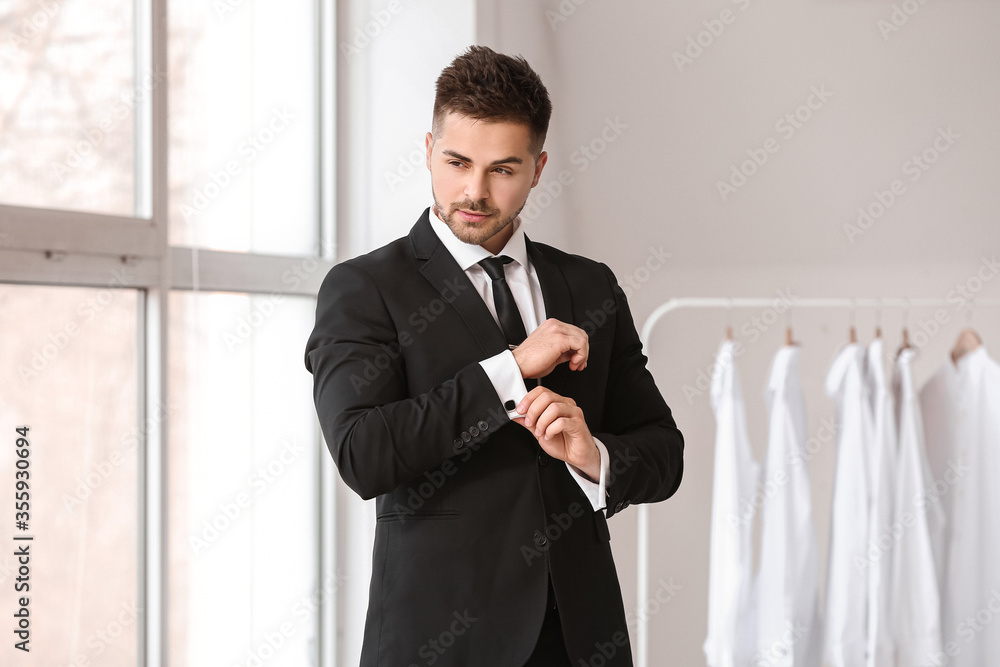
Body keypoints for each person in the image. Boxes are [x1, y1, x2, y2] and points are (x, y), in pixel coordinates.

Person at [304, 45, 684, 667]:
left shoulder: (590, 286)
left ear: (537, 169)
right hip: (439, 642)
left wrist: (594, 456)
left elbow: (665, 453)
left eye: (503, 170)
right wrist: (512, 369)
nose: (474, 191)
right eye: (457, 162)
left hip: (581, 638)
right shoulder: (365, 287)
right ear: (429, 149)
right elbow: (362, 453)